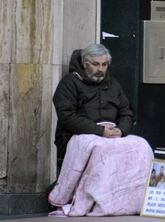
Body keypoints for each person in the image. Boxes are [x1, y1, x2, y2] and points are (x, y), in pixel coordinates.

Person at [49, 43, 154, 216]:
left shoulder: (113, 84)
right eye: (96, 64)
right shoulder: (69, 83)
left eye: (104, 65)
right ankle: (94, 201)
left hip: (111, 134)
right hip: (78, 136)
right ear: (85, 64)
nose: (101, 69)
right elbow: (67, 116)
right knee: (100, 149)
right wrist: (99, 132)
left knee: (141, 145)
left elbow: (126, 111)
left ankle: (131, 201)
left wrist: (121, 130)